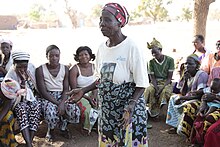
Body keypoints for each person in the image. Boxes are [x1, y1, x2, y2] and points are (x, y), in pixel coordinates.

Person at [66, 3, 149, 146]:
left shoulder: (132, 47)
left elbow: (142, 83)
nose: (101, 24)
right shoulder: (101, 48)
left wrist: (131, 105)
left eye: (107, 20)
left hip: (128, 109)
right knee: (109, 141)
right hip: (107, 109)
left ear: (119, 22)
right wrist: (83, 90)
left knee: (129, 140)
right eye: (100, 20)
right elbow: (101, 80)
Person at [36, 45, 80, 141]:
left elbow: (65, 89)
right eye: (51, 56)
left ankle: (63, 127)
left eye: (57, 55)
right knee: (51, 112)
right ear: (46, 56)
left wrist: (63, 102)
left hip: (62, 95)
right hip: (48, 96)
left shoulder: (65, 69)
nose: (54, 58)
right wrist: (59, 104)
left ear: (60, 56)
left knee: (75, 111)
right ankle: (50, 130)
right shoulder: (40, 70)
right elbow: (43, 92)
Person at [3, 51, 41, 147]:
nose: (22, 69)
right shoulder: (10, 75)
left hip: (32, 98)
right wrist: (22, 82)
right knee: (21, 109)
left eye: (25, 66)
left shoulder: (31, 68)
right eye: (19, 67)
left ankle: (29, 142)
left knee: (36, 107)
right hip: (17, 101)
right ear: (14, 64)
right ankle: (29, 143)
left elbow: (36, 87)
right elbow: (12, 96)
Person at [166, 54, 208, 134]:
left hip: (199, 100)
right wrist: (185, 80)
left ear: (197, 65)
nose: (187, 66)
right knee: (173, 98)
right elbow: (183, 92)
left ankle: (185, 130)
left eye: (190, 64)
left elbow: (199, 95)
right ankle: (175, 125)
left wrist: (182, 98)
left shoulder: (201, 75)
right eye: (186, 63)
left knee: (188, 106)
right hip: (189, 97)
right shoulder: (187, 74)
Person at [69, 46, 99, 134]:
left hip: (94, 92)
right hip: (79, 94)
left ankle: (98, 125)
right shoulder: (74, 69)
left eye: (86, 54)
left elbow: (98, 83)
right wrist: (89, 98)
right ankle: (86, 128)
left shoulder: (95, 67)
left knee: (100, 105)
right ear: (77, 57)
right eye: (80, 55)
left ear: (90, 56)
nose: (83, 57)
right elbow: (74, 89)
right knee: (87, 110)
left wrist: (94, 96)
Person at [145, 38, 174, 118]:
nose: (154, 55)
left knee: (165, 92)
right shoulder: (151, 62)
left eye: (156, 53)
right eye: (152, 53)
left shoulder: (170, 60)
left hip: (166, 83)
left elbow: (169, 79)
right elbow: (152, 78)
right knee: (149, 90)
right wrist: (156, 89)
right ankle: (150, 112)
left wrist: (160, 90)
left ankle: (160, 114)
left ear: (160, 50)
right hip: (155, 83)